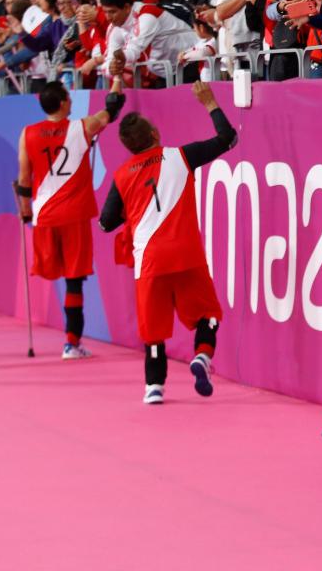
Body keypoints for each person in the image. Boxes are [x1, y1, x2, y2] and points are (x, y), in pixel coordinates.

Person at [98, 81, 237, 405]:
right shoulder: (180, 156)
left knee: (154, 329)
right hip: (186, 253)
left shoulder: (122, 175)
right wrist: (211, 103)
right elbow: (227, 139)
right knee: (209, 313)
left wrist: (132, 210)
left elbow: (106, 222)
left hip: (149, 259)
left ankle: (154, 387)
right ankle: (202, 355)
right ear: (155, 135)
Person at [15, 78, 125, 359]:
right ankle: (71, 342)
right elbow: (111, 110)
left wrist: (26, 211)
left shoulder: (27, 133)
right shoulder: (82, 127)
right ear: (64, 102)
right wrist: (116, 81)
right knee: (75, 280)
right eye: (68, 96)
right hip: (74, 214)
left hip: (45, 215)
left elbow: (24, 180)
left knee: (61, 276)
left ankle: (72, 342)